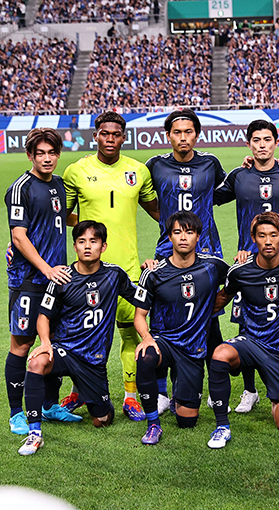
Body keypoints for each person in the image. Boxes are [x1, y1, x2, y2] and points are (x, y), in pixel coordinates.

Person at [63, 111, 159, 421]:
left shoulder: (138, 171)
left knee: (131, 335)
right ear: (96, 135)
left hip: (128, 269)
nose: (110, 139)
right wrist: (90, 230)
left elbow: (158, 211)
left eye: (116, 134)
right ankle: (81, 390)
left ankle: (130, 395)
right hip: (89, 270)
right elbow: (60, 215)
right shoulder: (76, 171)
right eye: (104, 133)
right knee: (82, 333)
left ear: (123, 137)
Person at [214, 119, 279, 412]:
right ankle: (250, 391)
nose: (261, 145)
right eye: (256, 140)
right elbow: (207, 196)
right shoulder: (238, 177)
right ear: (249, 144)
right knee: (248, 323)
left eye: (267, 139)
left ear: (276, 143)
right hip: (250, 262)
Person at [18, 221, 138, 455]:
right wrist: (45, 343)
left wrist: (156, 273)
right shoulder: (62, 277)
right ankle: (35, 433)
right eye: (82, 241)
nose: (87, 247)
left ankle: (88, 394)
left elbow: (141, 298)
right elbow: (43, 317)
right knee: (37, 362)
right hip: (65, 351)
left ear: (103, 247)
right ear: (74, 246)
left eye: (93, 241)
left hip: (93, 361)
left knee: (101, 419)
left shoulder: (114, 275)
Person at [207, 212, 279, 448]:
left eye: (273, 235)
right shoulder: (240, 271)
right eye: (262, 236)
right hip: (251, 343)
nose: (268, 241)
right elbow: (221, 299)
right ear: (253, 238)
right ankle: (222, 426)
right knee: (220, 354)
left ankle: (277, 392)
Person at [145, 109, 226, 414]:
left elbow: (223, 191)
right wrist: (167, 222)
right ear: (168, 135)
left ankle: (210, 387)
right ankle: (163, 392)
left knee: (207, 317)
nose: (183, 137)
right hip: (168, 250)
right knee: (164, 318)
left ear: (196, 134)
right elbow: (143, 197)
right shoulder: (155, 165)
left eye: (188, 131)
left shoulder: (210, 164)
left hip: (207, 250)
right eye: (177, 132)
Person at [133, 212, 229, 444]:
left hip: (193, 350)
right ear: (169, 238)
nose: (183, 238)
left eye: (189, 232)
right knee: (145, 357)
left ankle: (179, 398)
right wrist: (146, 337)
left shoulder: (213, 266)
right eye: (177, 232)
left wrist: (217, 302)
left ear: (198, 236)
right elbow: (139, 315)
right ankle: (153, 424)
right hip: (164, 342)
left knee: (187, 421)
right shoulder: (153, 272)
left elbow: (239, 278)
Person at [4, 128, 69, 435]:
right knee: (22, 343)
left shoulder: (59, 184)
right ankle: (17, 412)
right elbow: (19, 235)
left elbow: (61, 220)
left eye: (51, 153)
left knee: (53, 340)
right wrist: (46, 269)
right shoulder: (20, 188)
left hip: (57, 277)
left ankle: (49, 404)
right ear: (30, 155)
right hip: (30, 278)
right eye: (40, 153)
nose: (46, 159)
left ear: (58, 154)